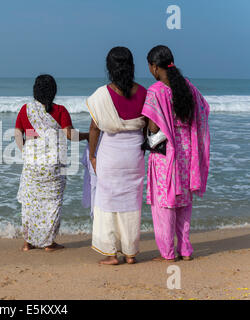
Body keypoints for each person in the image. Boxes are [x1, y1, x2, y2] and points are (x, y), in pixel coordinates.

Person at [142, 45, 210, 262]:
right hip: (187, 151)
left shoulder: (156, 90)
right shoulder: (188, 86)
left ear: (154, 66)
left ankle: (168, 253)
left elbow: (153, 128)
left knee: (165, 204)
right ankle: (186, 250)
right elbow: (204, 109)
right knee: (183, 203)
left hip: (166, 153)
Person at [87, 47, 147, 265]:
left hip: (110, 155)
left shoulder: (101, 95)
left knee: (107, 202)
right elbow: (148, 128)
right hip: (134, 155)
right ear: (131, 65)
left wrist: (93, 155)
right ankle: (130, 253)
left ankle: (111, 255)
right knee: (132, 202)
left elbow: (94, 129)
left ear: (109, 67)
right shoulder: (143, 92)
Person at [15, 74, 88, 252]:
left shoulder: (26, 110)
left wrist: (26, 151)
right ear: (53, 91)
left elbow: (19, 133)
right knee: (52, 203)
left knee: (30, 203)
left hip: (32, 164)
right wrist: (89, 135)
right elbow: (70, 135)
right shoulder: (60, 110)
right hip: (53, 165)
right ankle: (49, 243)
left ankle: (28, 242)